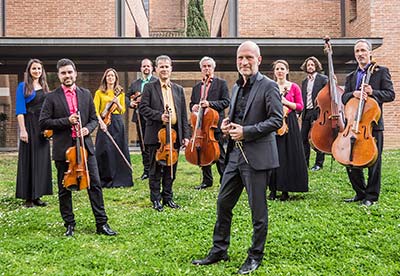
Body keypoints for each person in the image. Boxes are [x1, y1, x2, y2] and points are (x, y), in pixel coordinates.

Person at [192, 41, 283, 274]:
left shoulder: (269, 86)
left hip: (257, 156)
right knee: (223, 202)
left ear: (259, 60)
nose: (244, 62)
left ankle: (255, 256)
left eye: (249, 58)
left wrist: (247, 131)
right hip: (234, 155)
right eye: (240, 58)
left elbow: (276, 120)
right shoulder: (235, 87)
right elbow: (237, 116)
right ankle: (219, 249)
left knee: (258, 210)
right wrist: (227, 125)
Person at [39, 58, 116, 236]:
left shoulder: (86, 94)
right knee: (64, 189)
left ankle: (101, 224)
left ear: (75, 73)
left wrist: (87, 129)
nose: (67, 75)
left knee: (95, 185)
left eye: (69, 72)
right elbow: (43, 122)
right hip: (64, 151)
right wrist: (67, 121)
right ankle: (69, 225)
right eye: (63, 73)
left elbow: (93, 119)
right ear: (59, 75)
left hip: (85, 148)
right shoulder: (51, 97)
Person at [342, 39, 395, 207]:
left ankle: (371, 196)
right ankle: (360, 192)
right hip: (353, 125)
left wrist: (374, 92)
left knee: (374, 160)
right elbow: (343, 98)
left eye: (363, 50)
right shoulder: (351, 76)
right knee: (350, 158)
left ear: (370, 52)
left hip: (373, 124)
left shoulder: (381, 72)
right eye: (357, 51)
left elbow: (390, 94)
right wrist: (353, 94)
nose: (360, 54)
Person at [139, 55, 190, 212]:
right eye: (161, 67)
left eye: (167, 66)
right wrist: (159, 116)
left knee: (171, 169)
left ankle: (168, 197)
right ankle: (155, 199)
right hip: (156, 135)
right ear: (156, 69)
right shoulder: (149, 87)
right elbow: (143, 108)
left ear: (171, 69)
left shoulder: (179, 89)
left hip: (174, 134)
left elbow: (182, 115)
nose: (164, 69)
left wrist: (185, 136)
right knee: (155, 169)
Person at [269, 60, 308, 201]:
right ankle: (272, 189)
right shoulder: (271, 86)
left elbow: (300, 106)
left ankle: (285, 189)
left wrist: (285, 102)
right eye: (277, 68)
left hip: (289, 122)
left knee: (287, 155)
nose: (280, 71)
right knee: (274, 155)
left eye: (282, 68)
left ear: (287, 71)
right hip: (273, 122)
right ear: (274, 72)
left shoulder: (294, 87)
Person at [15, 58, 52, 208]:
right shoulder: (22, 86)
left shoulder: (44, 87)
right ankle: (28, 198)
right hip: (29, 125)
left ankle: (38, 195)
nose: (37, 71)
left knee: (42, 160)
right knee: (29, 159)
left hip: (42, 127)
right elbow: (19, 110)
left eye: (39, 69)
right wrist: (23, 130)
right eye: (34, 68)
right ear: (29, 71)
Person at [189, 56, 230, 189]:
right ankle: (207, 181)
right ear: (201, 69)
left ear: (213, 68)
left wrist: (210, 104)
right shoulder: (196, 87)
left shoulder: (221, 83)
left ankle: (224, 180)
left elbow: (225, 102)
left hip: (214, 125)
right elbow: (191, 103)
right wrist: (193, 107)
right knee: (202, 153)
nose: (207, 69)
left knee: (220, 155)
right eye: (204, 67)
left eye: (209, 66)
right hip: (201, 127)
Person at [93, 68, 134, 188]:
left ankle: (120, 179)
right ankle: (104, 178)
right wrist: (101, 122)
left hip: (116, 122)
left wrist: (118, 102)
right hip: (104, 122)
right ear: (105, 78)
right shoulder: (99, 93)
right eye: (108, 76)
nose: (110, 78)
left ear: (116, 78)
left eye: (112, 76)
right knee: (104, 150)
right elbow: (95, 110)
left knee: (118, 150)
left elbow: (122, 111)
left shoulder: (120, 93)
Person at [126, 58, 157, 181]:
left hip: (153, 118)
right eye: (144, 66)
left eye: (148, 66)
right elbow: (126, 97)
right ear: (141, 69)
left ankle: (155, 170)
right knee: (143, 145)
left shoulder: (156, 81)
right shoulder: (135, 84)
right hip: (139, 118)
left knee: (153, 144)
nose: (146, 68)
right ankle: (146, 171)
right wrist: (131, 103)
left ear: (152, 68)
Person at [300, 56, 328, 171]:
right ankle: (304, 163)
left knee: (319, 137)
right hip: (307, 112)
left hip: (319, 112)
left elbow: (327, 94)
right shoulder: (304, 81)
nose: (310, 67)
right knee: (303, 139)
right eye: (308, 65)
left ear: (316, 66)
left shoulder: (323, 79)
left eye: (312, 65)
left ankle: (318, 164)